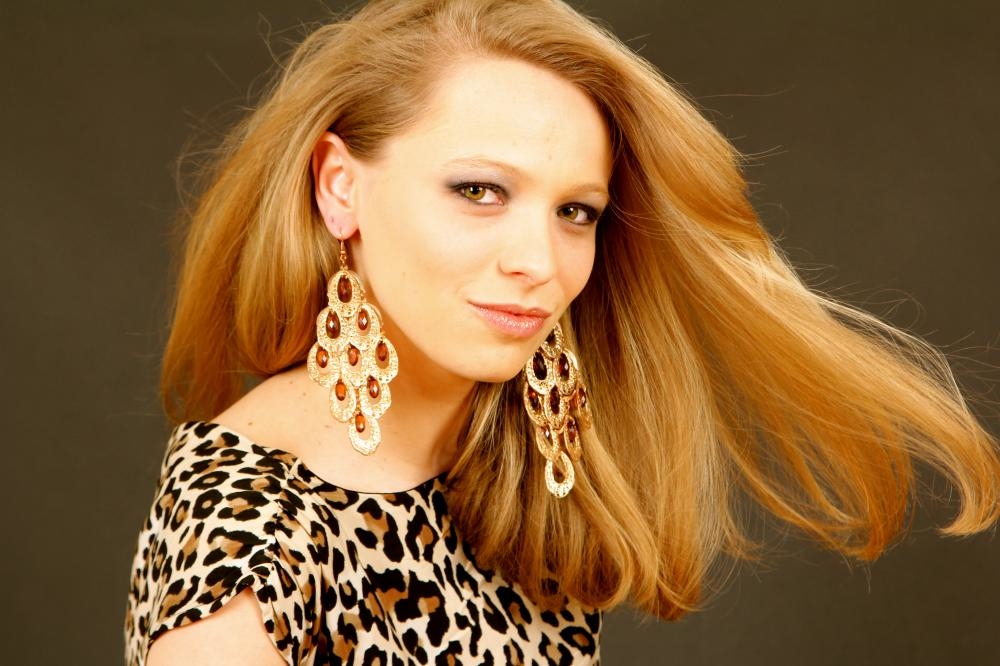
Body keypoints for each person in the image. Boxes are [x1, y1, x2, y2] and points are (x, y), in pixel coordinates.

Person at [123, 0, 1000, 663]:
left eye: (576, 211)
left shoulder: (516, 470)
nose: (539, 262)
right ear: (339, 187)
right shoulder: (242, 529)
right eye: (479, 191)